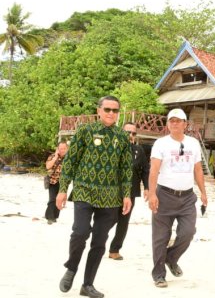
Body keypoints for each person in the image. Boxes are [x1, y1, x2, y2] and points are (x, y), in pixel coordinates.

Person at [56, 95, 133, 298]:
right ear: (99, 111)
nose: (111, 114)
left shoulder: (123, 137)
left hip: (110, 197)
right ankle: (72, 267)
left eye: (115, 111)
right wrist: (63, 189)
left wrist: (127, 195)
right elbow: (71, 162)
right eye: (107, 109)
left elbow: (126, 169)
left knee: (99, 241)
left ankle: (87, 284)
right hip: (84, 190)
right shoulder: (85, 131)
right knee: (80, 232)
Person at [147, 108, 208, 288]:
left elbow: (198, 169)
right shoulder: (160, 144)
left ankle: (171, 258)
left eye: (178, 120)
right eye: (171, 120)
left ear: (185, 124)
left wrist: (203, 192)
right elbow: (154, 170)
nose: (174, 123)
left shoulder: (193, 143)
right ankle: (159, 273)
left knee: (188, 233)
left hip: (187, 197)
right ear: (168, 124)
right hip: (164, 195)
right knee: (160, 237)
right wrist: (152, 194)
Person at [108, 122, 150, 260]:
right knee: (110, 218)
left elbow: (145, 170)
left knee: (124, 221)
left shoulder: (139, 150)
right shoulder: (112, 147)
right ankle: (98, 240)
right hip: (112, 189)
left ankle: (115, 249)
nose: (130, 135)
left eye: (133, 133)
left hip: (131, 190)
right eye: (127, 132)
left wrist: (147, 188)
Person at [44, 141, 68, 224]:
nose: (62, 150)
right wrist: (55, 157)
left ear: (67, 149)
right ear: (58, 149)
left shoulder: (69, 158)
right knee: (52, 199)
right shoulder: (52, 156)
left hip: (64, 182)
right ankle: (49, 217)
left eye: (64, 148)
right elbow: (47, 166)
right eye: (60, 148)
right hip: (53, 181)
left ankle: (55, 216)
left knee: (59, 200)